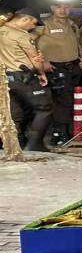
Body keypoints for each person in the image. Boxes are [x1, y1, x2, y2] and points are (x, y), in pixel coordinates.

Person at [36, 3, 82, 145]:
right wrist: (42, 61)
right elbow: (30, 43)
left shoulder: (73, 25)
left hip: (72, 67)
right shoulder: (43, 24)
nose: (63, 10)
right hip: (52, 67)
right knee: (56, 103)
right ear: (52, 8)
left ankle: (63, 132)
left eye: (66, 7)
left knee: (69, 102)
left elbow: (77, 44)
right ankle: (59, 133)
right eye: (59, 7)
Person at [0, 10, 52, 152]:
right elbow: (34, 59)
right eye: (33, 23)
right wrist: (41, 72)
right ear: (25, 19)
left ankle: (13, 146)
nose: (33, 27)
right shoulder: (21, 35)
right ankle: (34, 145)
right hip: (22, 77)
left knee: (14, 114)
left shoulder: (1, 30)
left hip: (5, 78)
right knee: (44, 108)